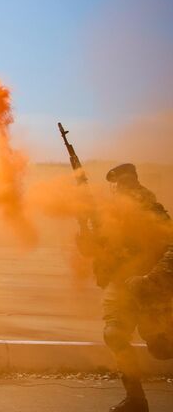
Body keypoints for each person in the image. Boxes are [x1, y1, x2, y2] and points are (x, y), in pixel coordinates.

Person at [96, 163, 171, 412]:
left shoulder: (154, 212)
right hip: (121, 286)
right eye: (117, 186)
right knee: (114, 334)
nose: (119, 191)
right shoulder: (112, 217)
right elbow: (102, 251)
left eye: (125, 185)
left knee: (161, 348)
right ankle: (136, 399)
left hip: (151, 289)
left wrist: (150, 278)